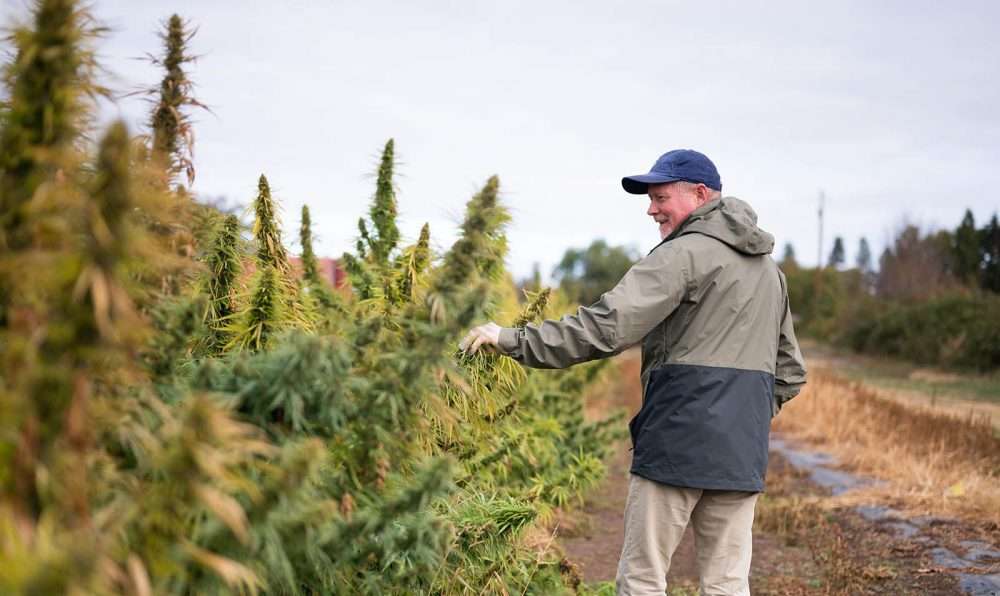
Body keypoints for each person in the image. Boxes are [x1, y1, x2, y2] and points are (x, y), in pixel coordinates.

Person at [459, 148, 807, 596]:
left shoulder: (680, 255)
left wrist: (511, 339)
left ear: (699, 194)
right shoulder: (770, 271)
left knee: (643, 578)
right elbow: (791, 371)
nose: (651, 208)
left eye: (660, 196)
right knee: (727, 583)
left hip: (676, 440)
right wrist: (743, 415)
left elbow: (604, 328)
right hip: (741, 451)